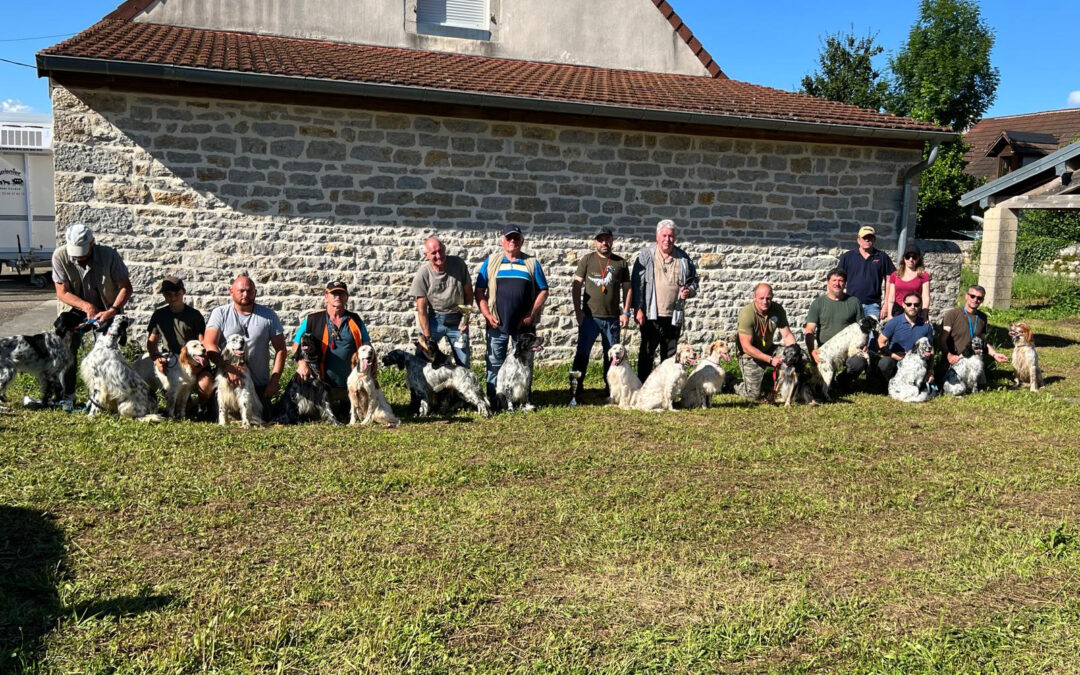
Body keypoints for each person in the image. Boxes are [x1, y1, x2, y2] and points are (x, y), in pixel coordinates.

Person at [51, 223, 133, 402]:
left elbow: (126, 288)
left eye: (83, 252)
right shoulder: (59, 256)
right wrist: (86, 307)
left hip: (106, 309)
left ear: (92, 243)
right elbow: (62, 292)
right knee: (66, 347)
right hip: (76, 308)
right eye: (75, 253)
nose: (79, 258)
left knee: (105, 353)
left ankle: (106, 396)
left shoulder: (109, 255)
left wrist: (112, 311)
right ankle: (67, 395)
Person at [475, 225, 549, 407]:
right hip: (496, 323)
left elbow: (544, 290)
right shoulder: (491, 261)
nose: (512, 242)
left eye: (516, 238)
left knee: (525, 365)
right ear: (502, 241)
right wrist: (486, 315)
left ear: (522, 242)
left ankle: (523, 400)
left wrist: (531, 315)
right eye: (509, 238)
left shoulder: (532, 263)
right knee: (494, 364)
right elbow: (479, 291)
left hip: (523, 325)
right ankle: (494, 401)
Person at [203, 274, 287, 414]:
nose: (245, 294)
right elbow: (209, 344)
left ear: (255, 292)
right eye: (241, 291)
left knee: (264, 416)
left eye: (249, 290)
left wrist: (275, 380)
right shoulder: (220, 313)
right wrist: (228, 368)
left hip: (258, 385)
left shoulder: (269, 315)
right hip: (228, 383)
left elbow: (281, 349)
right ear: (231, 292)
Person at [631, 219, 698, 381]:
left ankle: (666, 388)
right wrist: (637, 309)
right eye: (664, 235)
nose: (667, 239)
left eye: (671, 236)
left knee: (669, 356)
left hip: (673, 316)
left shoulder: (683, 258)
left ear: (675, 238)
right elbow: (636, 283)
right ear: (657, 236)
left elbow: (694, 281)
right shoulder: (646, 255)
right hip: (650, 315)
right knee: (647, 353)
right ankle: (642, 388)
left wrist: (689, 291)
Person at [292, 281, 370, 421]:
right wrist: (302, 364)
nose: (337, 297)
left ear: (347, 297)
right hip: (321, 385)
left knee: (354, 415)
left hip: (351, 386)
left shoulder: (356, 320)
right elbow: (295, 347)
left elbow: (367, 347)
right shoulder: (312, 320)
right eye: (334, 293)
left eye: (341, 293)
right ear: (326, 296)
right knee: (317, 415)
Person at [571, 227, 631, 398]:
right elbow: (576, 287)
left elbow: (627, 289)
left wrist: (625, 312)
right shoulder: (587, 260)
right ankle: (576, 389)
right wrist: (578, 312)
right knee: (582, 353)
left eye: (607, 239)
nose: (604, 242)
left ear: (612, 240)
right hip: (589, 317)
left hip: (612, 318)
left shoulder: (620, 263)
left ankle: (612, 389)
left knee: (612, 356)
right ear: (595, 242)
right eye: (600, 239)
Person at [146, 274, 213, 407]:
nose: (172, 297)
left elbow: (203, 343)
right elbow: (151, 343)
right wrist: (156, 359)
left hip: (194, 360)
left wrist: (198, 365)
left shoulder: (195, 315)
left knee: (205, 385)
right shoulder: (159, 315)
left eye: (176, 293)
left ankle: (203, 408)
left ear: (183, 292)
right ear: (164, 296)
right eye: (167, 294)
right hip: (171, 362)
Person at [411, 237, 473, 367]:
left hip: (457, 319)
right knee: (421, 357)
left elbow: (468, 293)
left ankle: (461, 387)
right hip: (435, 319)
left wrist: (465, 318)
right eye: (433, 253)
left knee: (463, 362)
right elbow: (422, 310)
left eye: (440, 251)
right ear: (426, 255)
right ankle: (422, 386)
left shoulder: (458, 264)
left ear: (444, 249)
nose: (438, 255)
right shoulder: (423, 274)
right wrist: (427, 339)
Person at [804, 268, 866, 389]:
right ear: (828, 282)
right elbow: (810, 329)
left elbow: (863, 328)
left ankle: (842, 380)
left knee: (859, 363)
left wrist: (864, 344)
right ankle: (827, 380)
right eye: (834, 280)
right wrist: (812, 351)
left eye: (841, 280)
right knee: (819, 385)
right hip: (826, 351)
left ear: (845, 283)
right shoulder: (818, 303)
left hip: (848, 350)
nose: (837, 283)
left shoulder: (854, 302)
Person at [734, 282, 798, 400]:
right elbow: (746, 347)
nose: (765, 302)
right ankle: (732, 382)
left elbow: (787, 335)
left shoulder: (777, 309)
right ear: (754, 297)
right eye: (761, 298)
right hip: (749, 354)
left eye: (768, 298)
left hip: (768, 348)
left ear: (772, 297)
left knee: (794, 355)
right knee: (753, 395)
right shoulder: (747, 314)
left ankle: (789, 388)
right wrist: (770, 360)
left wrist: (795, 351)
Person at [939, 284, 1009, 372]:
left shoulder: (982, 317)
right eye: (972, 296)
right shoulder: (952, 314)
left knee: (980, 384)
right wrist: (949, 355)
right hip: (955, 360)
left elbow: (983, 341)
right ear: (966, 296)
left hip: (973, 361)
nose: (975, 300)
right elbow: (942, 339)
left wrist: (995, 354)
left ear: (982, 300)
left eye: (979, 298)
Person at [836, 226, 895, 321]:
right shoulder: (847, 257)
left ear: (874, 239)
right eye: (864, 237)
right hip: (851, 304)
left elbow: (890, 280)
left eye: (870, 237)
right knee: (852, 334)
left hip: (873, 305)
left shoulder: (882, 257)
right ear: (858, 240)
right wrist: (838, 300)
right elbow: (837, 279)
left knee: (871, 335)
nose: (867, 240)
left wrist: (886, 304)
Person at [876, 291, 935, 383]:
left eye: (916, 304)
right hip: (896, 360)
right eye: (909, 304)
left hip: (917, 363)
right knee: (885, 363)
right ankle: (885, 385)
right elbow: (880, 342)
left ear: (920, 306)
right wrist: (893, 355)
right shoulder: (894, 322)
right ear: (903, 305)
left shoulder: (926, 326)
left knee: (929, 392)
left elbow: (931, 350)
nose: (912, 307)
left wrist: (930, 371)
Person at [883, 244, 931, 322]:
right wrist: (889, 314)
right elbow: (891, 297)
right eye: (908, 256)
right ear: (904, 258)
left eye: (914, 257)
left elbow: (926, 297)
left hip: (915, 309)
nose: (911, 259)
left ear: (918, 258)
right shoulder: (895, 275)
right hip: (898, 310)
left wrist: (924, 314)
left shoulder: (923, 275)